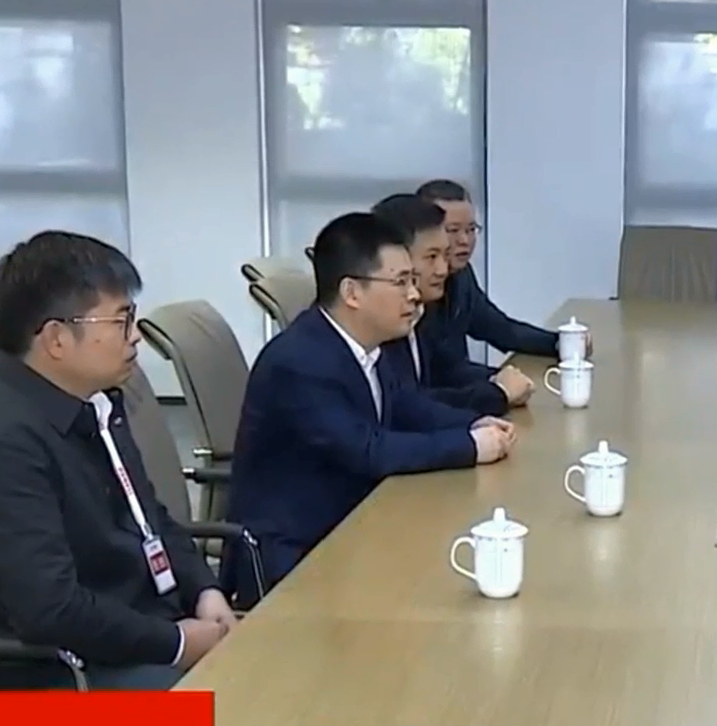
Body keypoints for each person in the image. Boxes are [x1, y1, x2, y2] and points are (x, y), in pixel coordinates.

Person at [0, 231, 234, 689]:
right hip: (40, 677)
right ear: (57, 338)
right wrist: (176, 643)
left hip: (122, 638)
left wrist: (205, 590)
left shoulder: (94, 404)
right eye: (121, 320)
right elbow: (52, 610)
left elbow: (152, 519)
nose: (135, 335)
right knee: (246, 709)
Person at [226, 212, 517, 596]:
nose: (414, 294)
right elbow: (367, 450)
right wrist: (470, 446)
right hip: (295, 557)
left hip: (352, 526)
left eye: (412, 280)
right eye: (400, 282)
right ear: (352, 293)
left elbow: (406, 407)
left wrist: (474, 423)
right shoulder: (300, 361)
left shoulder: (363, 345)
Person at [371, 193, 531, 415]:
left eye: (445, 255)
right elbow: (406, 407)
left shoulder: (418, 311)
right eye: (431, 257)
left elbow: (447, 371)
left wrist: (500, 379)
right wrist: (498, 393)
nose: (443, 270)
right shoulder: (379, 326)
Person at [415, 178, 586, 360]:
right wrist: (496, 377)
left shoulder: (462, 276)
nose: (465, 240)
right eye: (453, 230)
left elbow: (502, 330)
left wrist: (560, 343)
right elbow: (442, 371)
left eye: (471, 229)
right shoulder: (414, 289)